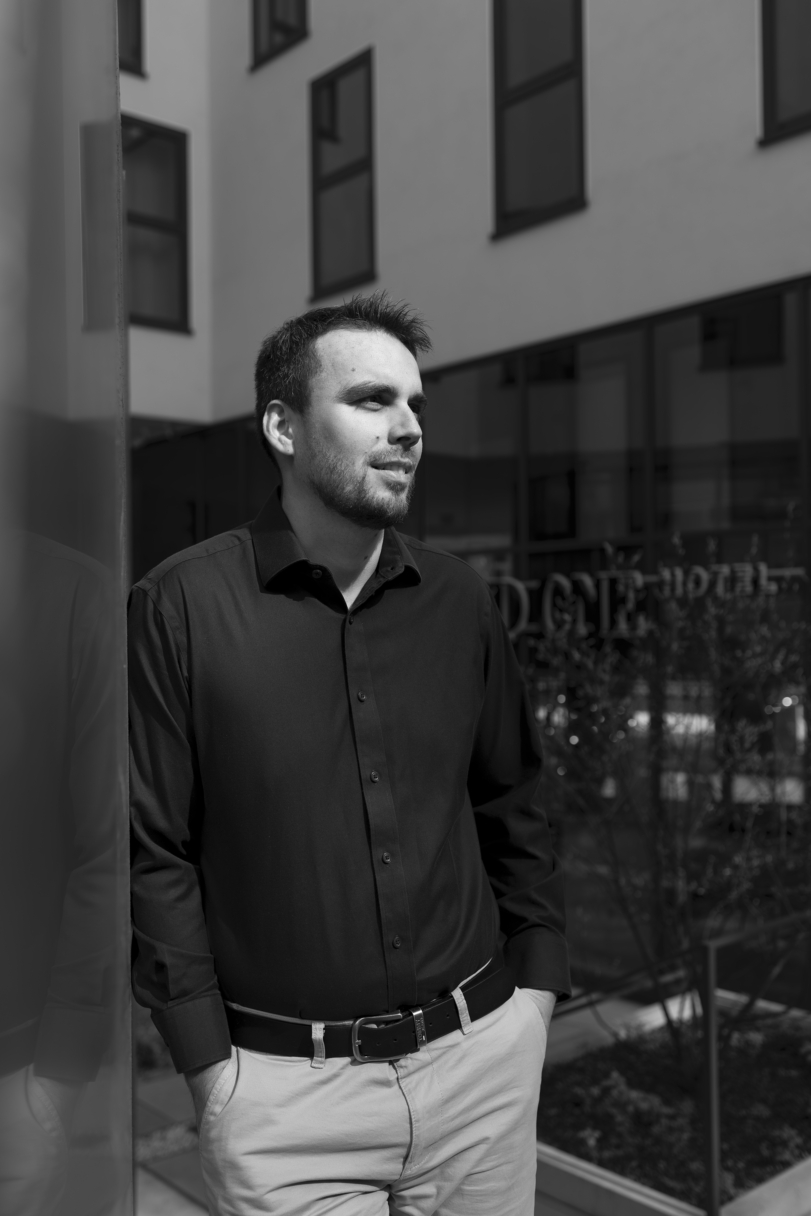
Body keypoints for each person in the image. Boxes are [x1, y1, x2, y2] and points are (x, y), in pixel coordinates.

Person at [128, 293, 570, 1216]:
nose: (408, 428)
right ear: (282, 428)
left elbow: (512, 801)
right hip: (287, 1106)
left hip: (483, 1069)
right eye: (371, 400)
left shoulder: (459, 600)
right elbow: (151, 848)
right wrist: (211, 1070)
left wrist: (534, 994)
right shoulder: (180, 607)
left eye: (414, 404)